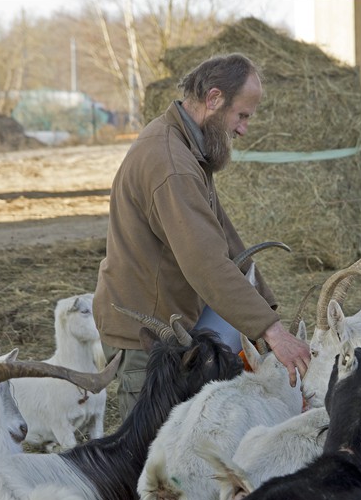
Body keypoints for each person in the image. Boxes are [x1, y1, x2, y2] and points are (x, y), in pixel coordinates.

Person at [92, 52, 311, 420]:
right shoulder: (172, 163)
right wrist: (272, 333)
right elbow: (207, 262)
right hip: (147, 336)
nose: (243, 129)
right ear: (213, 99)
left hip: (173, 316)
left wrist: (266, 314)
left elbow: (224, 240)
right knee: (147, 454)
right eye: (241, 115)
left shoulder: (187, 147)